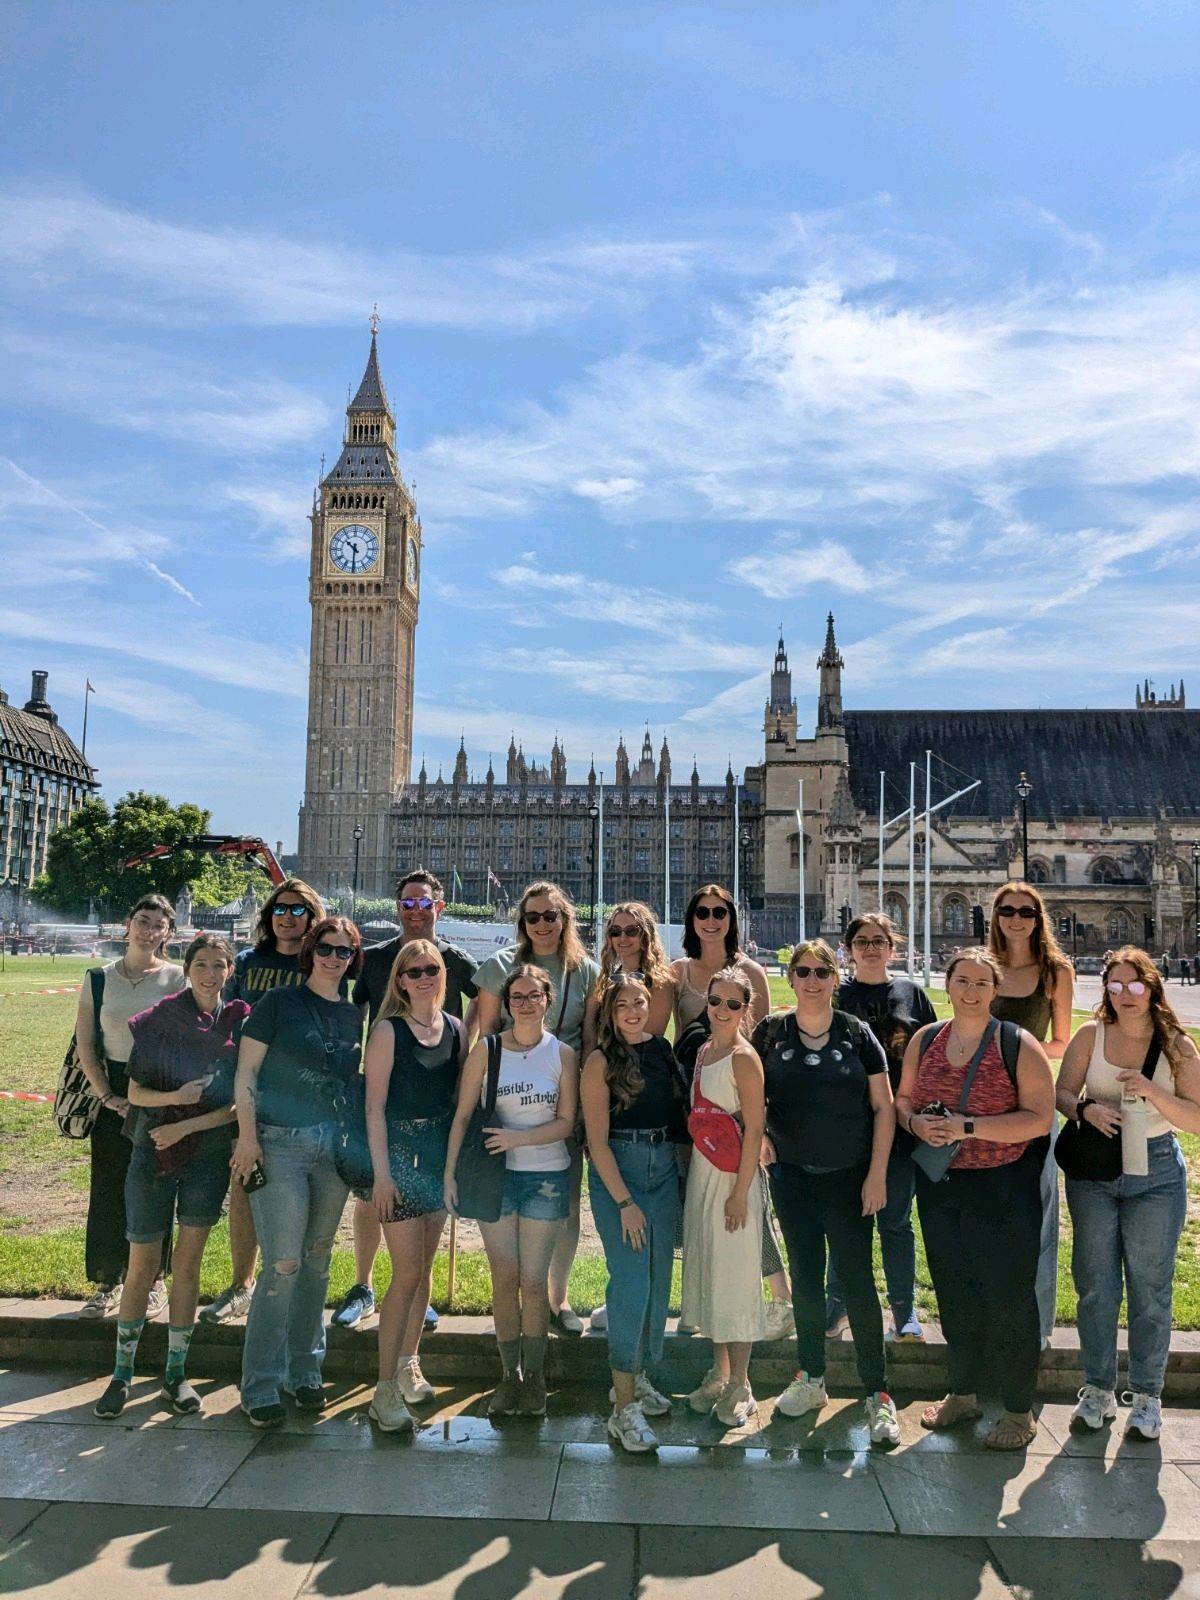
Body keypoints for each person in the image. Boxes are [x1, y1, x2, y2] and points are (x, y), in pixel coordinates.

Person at [896, 947, 1054, 1451]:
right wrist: (915, 1122)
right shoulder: (927, 1039)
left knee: (1009, 1294)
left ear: (995, 990)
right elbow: (903, 1100)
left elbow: (1039, 1118)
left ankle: (1016, 1407)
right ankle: (962, 1392)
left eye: (981, 983)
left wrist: (968, 1126)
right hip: (943, 1186)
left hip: (1003, 1186)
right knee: (954, 1289)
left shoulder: (1016, 1043)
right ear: (948, 985)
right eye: (962, 980)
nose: (970, 990)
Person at [92, 935, 249, 1418]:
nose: (209, 973)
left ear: (229, 970)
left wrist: (186, 1121)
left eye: (218, 965)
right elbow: (137, 1092)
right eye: (200, 964)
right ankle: (121, 1374)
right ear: (187, 969)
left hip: (206, 1152)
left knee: (188, 1264)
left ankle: (175, 1375)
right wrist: (175, 1100)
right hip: (152, 1151)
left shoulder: (238, 1022)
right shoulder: (162, 1018)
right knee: (141, 1264)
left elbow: (235, 1107)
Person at [754, 940, 901, 1447]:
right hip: (793, 1177)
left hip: (849, 1177)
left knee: (858, 1282)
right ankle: (811, 1377)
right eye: (803, 971)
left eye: (822, 972)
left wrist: (877, 1174)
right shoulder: (770, 1032)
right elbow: (746, 1095)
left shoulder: (856, 1034)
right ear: (790, 977)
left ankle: (877, 1392)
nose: (813, 980)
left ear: (835, 979)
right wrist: (761, 1139)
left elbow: (884, 1108)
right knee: (806, 1279)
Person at [1056, 947, 1200, 1440]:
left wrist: (1151, 1090)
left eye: (1134, 985)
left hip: (1156, 1171)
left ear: (1152, 986)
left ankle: (1146, 1396)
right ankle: (1097, 1389)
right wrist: (1084, 1110)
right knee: (1095, 1285)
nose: (1124, 995)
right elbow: (1061, 1092)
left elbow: (1196, 1119)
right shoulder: (1089, 1035)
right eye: (1113, 986)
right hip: (1095, 1171)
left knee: (1151, 1289)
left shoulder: (1177, 1046)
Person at [334, 867, 478, 1333]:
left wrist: (469, 1047)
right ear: (399, 909)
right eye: (407, 903)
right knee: (373, 1194)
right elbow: (356, 1012)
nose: (415, 911)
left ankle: (419, 1294)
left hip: (434, 1093)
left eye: (423, 903)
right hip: (385, 1089)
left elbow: (483, 1003)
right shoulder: (375, 959)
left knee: (428, 1208)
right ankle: (363, 1284)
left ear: (439, 907)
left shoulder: (455, 960)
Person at [231, 916, 363, 1426]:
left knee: (317, 1260)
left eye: (345, 952)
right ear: (311, 951)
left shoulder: (353, 1015)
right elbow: (246, 1074)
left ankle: (304, 1372)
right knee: (283, 1264)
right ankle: (260, 1384)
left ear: (354, 959)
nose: (334, 958)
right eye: (326, 948)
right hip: (278, 1144)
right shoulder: (279, 1004)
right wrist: (247, 1138)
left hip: (330, 1150)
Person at [444, 963, 578, 1417]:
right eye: (516, 996)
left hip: (544, 1175)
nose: (524, 1004)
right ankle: (508, 1375)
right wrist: (449, 1173)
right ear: (506, 1002)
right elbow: (463, 1115)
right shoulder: (488, 1049)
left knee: (533, 1283)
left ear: (547, 1000)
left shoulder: (563, 1055)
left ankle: (535, 1377)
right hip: (494, 1178)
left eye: (533, 996)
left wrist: (519, 1139)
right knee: (504, 1279)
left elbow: (566, 1122)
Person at [474, 882, 599, 1336]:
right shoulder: (500, 967)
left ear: (565, 920)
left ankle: (555, 1297)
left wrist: (583, 1110)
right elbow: (484, 1034)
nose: (543, 925)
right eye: (533, 917)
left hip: (561, 1097)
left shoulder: (585, 970)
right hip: (506, 1099)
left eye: (551, 916)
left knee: (564, 1204)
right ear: (522, 922)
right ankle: (513, 1299)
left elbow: (588, 1040)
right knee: (504, 1201)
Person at [202, 878, 325, 1326]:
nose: (288, 917)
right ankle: (241, 1283)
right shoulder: (248, 962)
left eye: (298, 910)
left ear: (313, 918)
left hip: (303, 1094)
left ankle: (290, 1285)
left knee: (304, 1193)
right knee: (244, 1184)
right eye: (281, 909)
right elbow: (224, 1019)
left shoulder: (323, 963)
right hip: (250, 1087)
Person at [672, 884, 790, 1334]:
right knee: (699, 1205)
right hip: (697, 1098)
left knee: (747, 1201)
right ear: (692, 919)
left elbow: (760, 1045)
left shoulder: (751, 972)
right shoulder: (678, 972)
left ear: (730, 918)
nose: (711, 918)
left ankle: (780, 1297)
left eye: (719, 911)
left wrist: (758, 1126)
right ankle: (701, 1302)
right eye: (702, 911)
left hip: (739, 1102)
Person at [362, 940, 467, 1431]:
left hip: (437, 1160)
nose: (424, 977)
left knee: (422, 1269)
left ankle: (408, 1361)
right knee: (404, 1274)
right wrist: (381, 1175)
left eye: (432, 969)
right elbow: (373, 1108)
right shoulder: (388, 1031)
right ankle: (383, 1388)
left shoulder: (456, 1029)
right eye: (414, 971)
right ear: (400, 980)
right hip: (399, 1160)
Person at [581, 973, 683, 1452]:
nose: (633, 1011)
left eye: (639, 1002)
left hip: (662, 1170)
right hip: (618, 1170)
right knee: (631, 1284)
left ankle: (636, 1375)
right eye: (623, 1005)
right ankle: (623, 1409)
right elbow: (596, 1143)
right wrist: (624, 1204)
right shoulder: (600, 1062)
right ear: (610, 1012)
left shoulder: (662, 1051)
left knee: (658, 1280)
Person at [827, 912, 936, 1342]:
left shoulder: (911, 993)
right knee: (845, 1220)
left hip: (900, 1125)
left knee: (894, 1221)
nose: (870, 948)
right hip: (844, 1126)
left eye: (878, 941)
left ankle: (904, 1310)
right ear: (849, 949)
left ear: (893, 948)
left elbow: (930, 1052)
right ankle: (837, 1305)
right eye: (861, 941)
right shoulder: (835, 993)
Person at [73, 895, 183, 1319]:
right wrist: (106, 1094)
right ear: (128, 923)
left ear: (168, 934)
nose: (149, 930)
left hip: (159, 1088)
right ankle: (108, 1278)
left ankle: (154, 1279)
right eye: (143, 920)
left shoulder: (177, 979)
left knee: (157, 1187)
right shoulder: (99, 978)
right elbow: (86, 1042)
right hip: (113, 1086)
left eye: (159, 925)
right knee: (108, 1185)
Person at [582, 900, 675, 1336]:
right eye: (615, 931)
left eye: (631, 930)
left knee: (652, 1260)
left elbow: (642, 1043)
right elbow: (593, 1039)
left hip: (641, 1099)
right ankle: (623, 1314)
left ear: (646, 935)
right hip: (607, 1097)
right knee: (628, 1254)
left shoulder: (660, 982)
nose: (623, 938)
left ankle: (634, 1326)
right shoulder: (600, 982)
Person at [988, 881, 1074, 1347]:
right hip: (984, 1107)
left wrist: (1017, 1054)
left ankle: (1035, 1332)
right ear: (996, 917)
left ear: (1039, 918)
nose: (1016, 919)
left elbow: (1062, 1041)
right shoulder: (987, 969)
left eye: (1026, 911)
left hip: (1032, 1103)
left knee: (1038, 1220)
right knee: (988, 1216)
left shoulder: (1054, 972)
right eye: (1007, 911)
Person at [681, 966, 768, 1427]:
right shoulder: (703, 1050)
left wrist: (740, 1192)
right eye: (716, 1001)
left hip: (734, 1178)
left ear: (745, 1009)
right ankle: (720, 1372)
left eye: (733, 1004)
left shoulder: (742, 1057)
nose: (722, 1010)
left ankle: (742, 1384)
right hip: (703, 1171)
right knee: (711, 1271)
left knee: (734, 1278)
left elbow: (755, 1128)